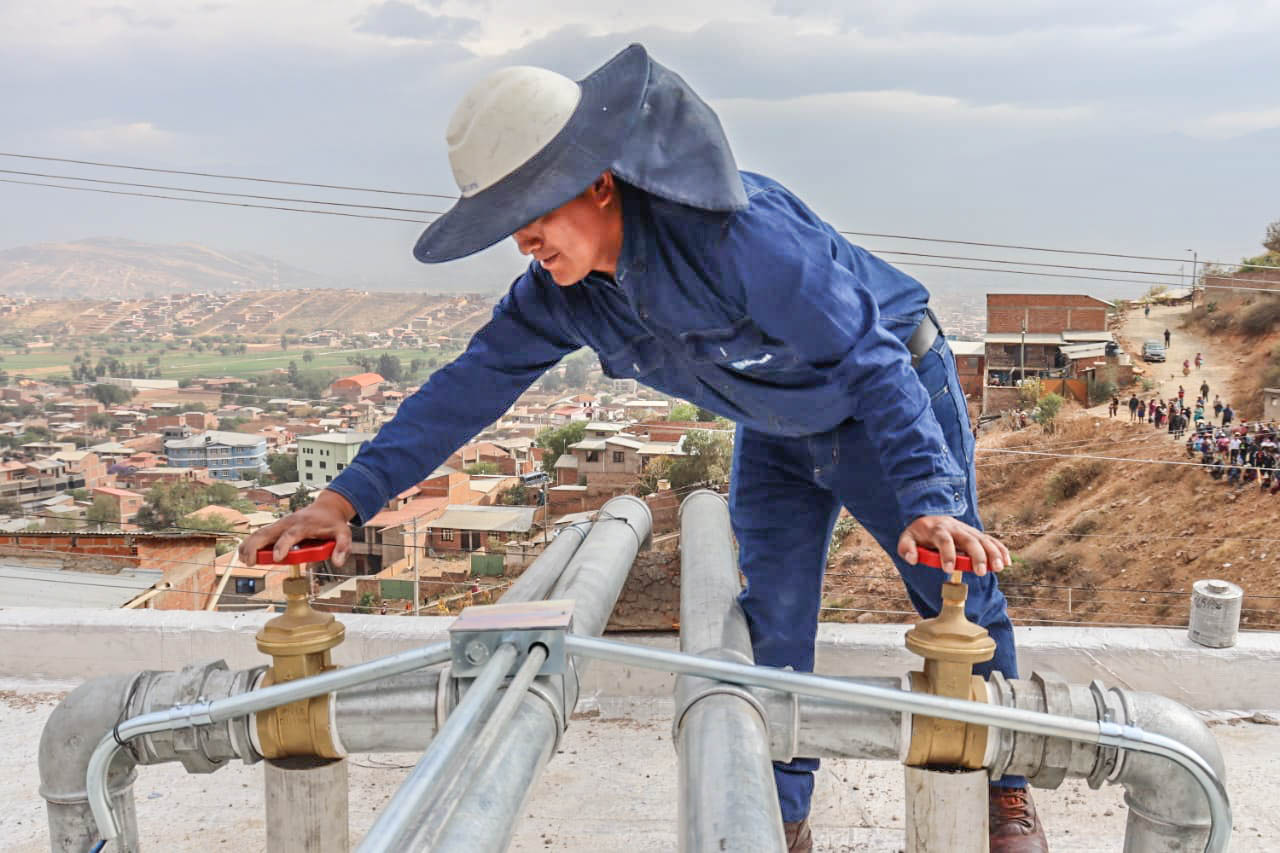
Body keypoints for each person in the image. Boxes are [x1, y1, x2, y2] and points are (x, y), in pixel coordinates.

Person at [236, 46, 1042, 853]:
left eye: (535, 211)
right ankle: (780, 813)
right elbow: (467, 387)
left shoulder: (738, 236)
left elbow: (870, 359)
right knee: (771, 622)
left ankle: (1007, 788)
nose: (525, 242)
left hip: (884, 399)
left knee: (955, 592)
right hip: (773, 424)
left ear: (598, 183)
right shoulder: (562, 296)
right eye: (509, 224)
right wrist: (341, 499)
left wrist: (930, 497)